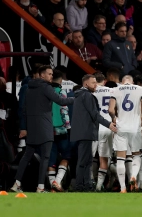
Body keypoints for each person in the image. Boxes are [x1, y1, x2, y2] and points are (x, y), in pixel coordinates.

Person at [10, 65, 74, 193]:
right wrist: (75, 98)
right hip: (45, 127)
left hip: (32, 128)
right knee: (45, 157)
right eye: (49, 74)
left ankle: (16, 184)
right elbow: (60, 101)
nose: (51, 76)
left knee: (26, 156)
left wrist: (26, 127)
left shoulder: (28, 88)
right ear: (42, 75)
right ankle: (40, 187)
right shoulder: (45, 87)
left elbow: (24, 110)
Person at [70, 74, 117, 192]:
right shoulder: (87, 96)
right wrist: (109, 124)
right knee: (84, 161)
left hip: (82, 132)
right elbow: (95, 115)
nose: (96, 85)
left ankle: (85, 184)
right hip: (86, 132)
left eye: (96, 82)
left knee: (86, 160)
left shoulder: (80, 95)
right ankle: (80, 186)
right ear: (86, 84)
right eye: (93, 83)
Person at [108, 75, 142, 192]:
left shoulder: (115, 90)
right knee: (136, 155)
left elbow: (110, 110)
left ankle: (123, 188)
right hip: (135, 127)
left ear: (122, 81)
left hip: (121, 127)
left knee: (120, 159)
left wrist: (114, 118)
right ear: (132, 82)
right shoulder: (140, 89)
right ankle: (133, 176)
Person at [48, 70, 71, 192]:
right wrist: (68, 126)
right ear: (61, 80)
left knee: (51, 160)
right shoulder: (61, 92)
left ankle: (52, 185)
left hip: (48, 129)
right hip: (61, 129)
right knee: (66, 156)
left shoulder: (45, 92)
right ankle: (57, 181)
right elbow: (64, 110)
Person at [92, 73, 113, 191]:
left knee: (89, 157)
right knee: (104, 158)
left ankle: (90, 181)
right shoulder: (112, 91)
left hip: (94, 127)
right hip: (107, 126)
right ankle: (99, 186)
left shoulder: (92, 91)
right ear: (104, 81)